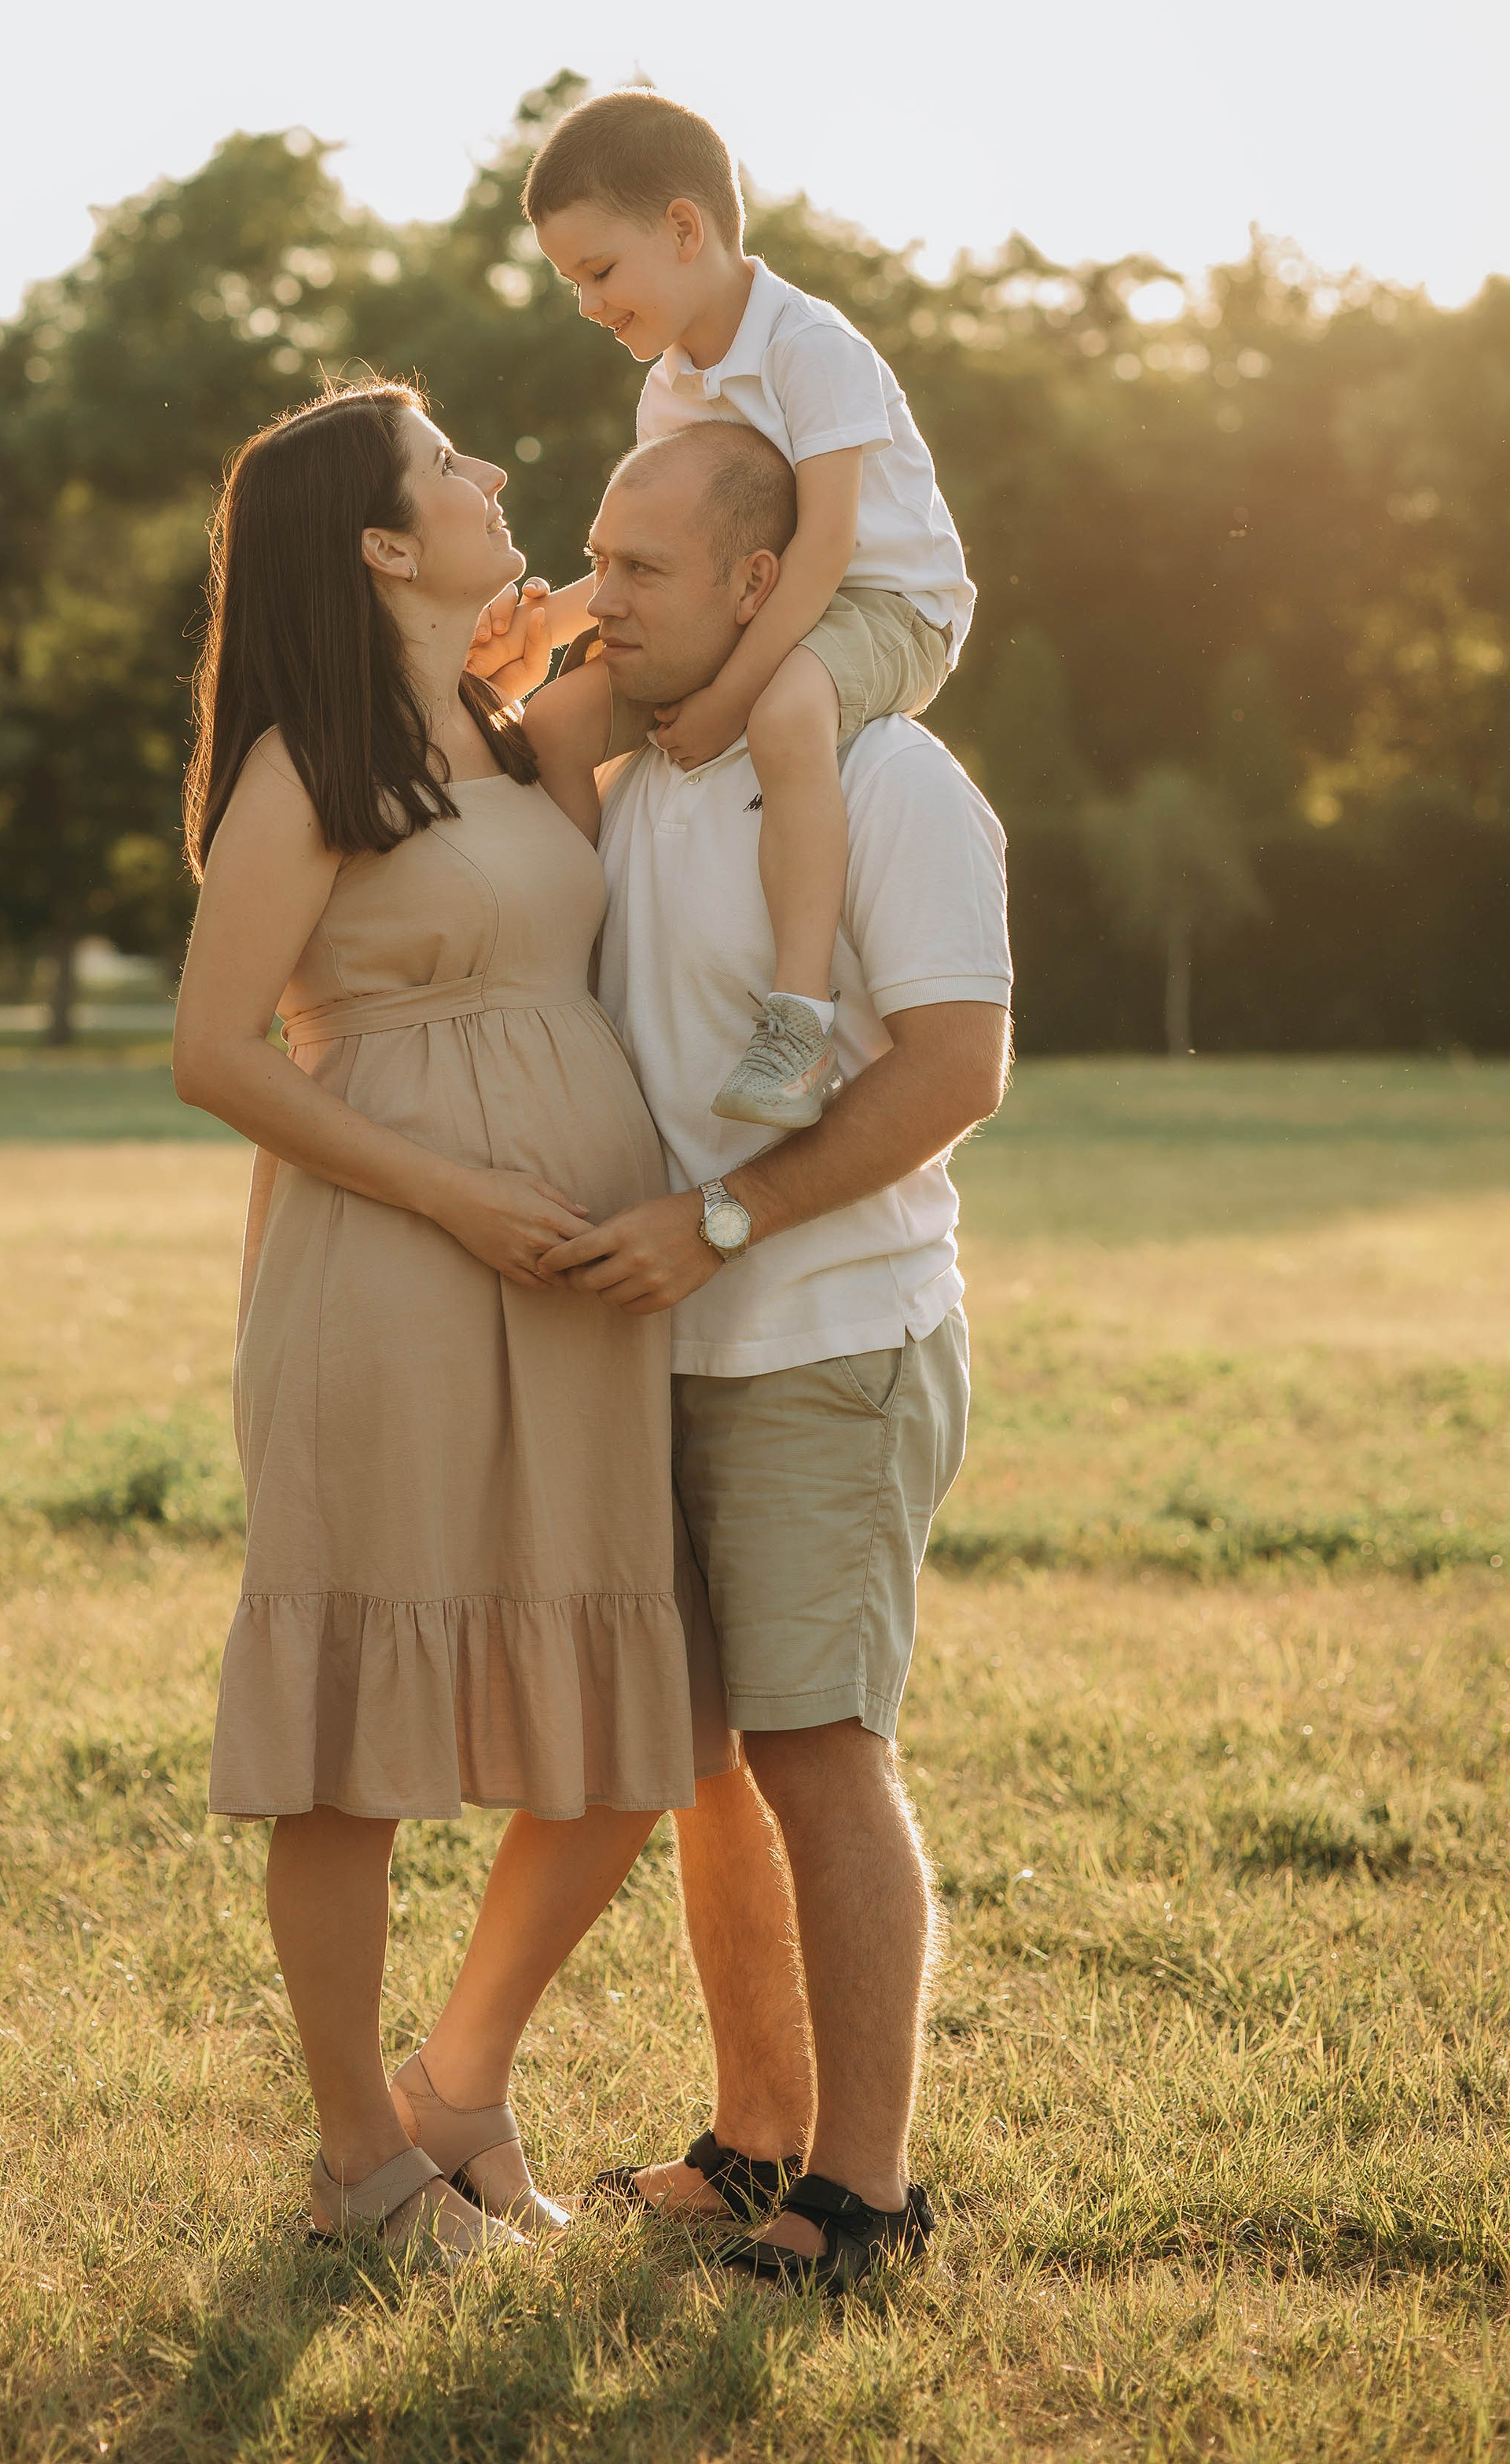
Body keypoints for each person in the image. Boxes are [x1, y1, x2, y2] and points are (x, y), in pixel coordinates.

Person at [171, 381, 726, 2268]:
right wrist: (452, 1193)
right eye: (447, 469)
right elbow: (209, 1052)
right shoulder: (302, 768)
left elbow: (731, 584)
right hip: (394, 1280)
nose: (495, 475)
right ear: (379, 547)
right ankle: (361, 2164)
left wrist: (551, 614)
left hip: (576, 1288)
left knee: (640, 1722)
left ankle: (459, 2090)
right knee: (356, 1734)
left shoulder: (518, 732)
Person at [505, 418, 1010, 2299]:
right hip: (660, 1349)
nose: (597, 597)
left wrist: (719, 1220)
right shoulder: (634, 774)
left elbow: (953, 1071)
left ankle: (865, 2193)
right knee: (707, 1761)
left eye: (636, 572)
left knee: (814, 1749)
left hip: (826, 1331)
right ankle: (751, 2136)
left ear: (753, 586)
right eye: (588, 558)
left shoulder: (886, 777)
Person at [494, 88, 975, 1139]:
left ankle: (795, 1022)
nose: (587, 303)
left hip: (883, 607)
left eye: (599, 272)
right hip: (755, 603)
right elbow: (659, 558)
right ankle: (574, 996)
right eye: (573, 281)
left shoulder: (815, 348)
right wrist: (543, 628)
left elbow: (829, 550)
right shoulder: (672, 388)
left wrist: (724, 699)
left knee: (788, 713)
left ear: (683, 228)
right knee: (559, 723)